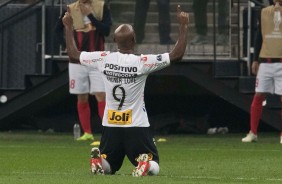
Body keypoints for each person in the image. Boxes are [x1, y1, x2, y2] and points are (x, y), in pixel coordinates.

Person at [63, 4, 188, 176]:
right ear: (134, 41)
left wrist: (69, 27)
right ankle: (145, 164)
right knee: (154, 163)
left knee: (110, 165)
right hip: (136, 125)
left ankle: (99, 161)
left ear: (114, 41)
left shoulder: (103, 58)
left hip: (111, 124)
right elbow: (176, 55)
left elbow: (73, 55)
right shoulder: (142, 62)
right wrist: (183, 25)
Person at [55, 0, 112, 142]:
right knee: (81, 96)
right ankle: (87, 133)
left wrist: (90, 16)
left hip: (97, 59)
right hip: (77, 60)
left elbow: (106, 30)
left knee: (101, 95)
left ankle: (108, 132)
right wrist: (66, 46)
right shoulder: (70, 9)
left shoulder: (101, 7)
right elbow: (57, 29)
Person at [242, 0, 282, 143]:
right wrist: (255, 59)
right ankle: (253, 132)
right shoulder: (264, 12)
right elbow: (259, 35)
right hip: (266, 61)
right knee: (258, 95)